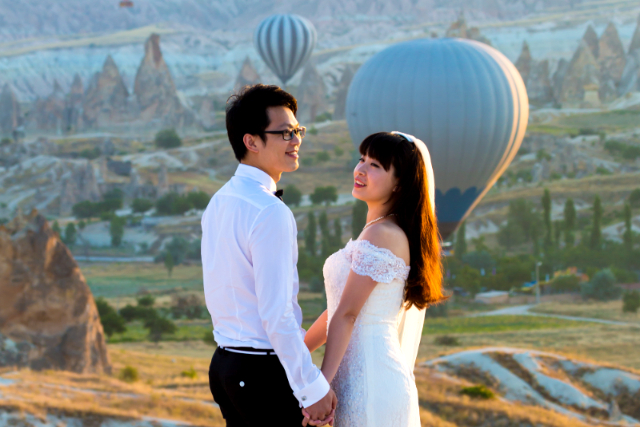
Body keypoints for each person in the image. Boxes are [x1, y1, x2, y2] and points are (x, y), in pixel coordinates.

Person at [202, 84, 336, 427]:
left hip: (226, 365)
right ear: (251, 141)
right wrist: (310, 387)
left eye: (298, 130)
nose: (296, 140)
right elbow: (277, 313)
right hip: (260, 371)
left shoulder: (220, 200)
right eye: (285, 133)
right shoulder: (268, 211)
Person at [303, 131, 446, 426]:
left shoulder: (382, 234)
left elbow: (347, 314)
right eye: (362, 159)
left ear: (400, 184)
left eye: (375, 165)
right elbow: (337, 309)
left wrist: (319, 385)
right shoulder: (376, 231)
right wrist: (297, 354)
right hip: (359, 376)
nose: (360, 170)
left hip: (373, 380)